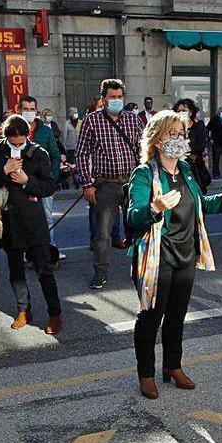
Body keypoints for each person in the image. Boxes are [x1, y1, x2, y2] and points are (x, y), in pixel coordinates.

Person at [126, 110, 222, 398]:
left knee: (177, 316)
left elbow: (200, 204)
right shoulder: (144, 173)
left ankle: (173, 366)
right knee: (151, 317)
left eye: (181, 133)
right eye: (171, 133)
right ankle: (146, 373)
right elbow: (133, 216)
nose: (178, 139)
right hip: (157, 254)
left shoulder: (186, 170)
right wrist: (154, 208)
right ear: (157, 138)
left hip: (185, 253)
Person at [0, 115, 63, 336]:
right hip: (8, 218)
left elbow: (48, 186)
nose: (18, 145)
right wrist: (4, 171)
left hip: (32, 218)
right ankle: (23, 310)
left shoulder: (38, 153)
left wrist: (28, 181)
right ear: (6, 137)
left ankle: (55, 313)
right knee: (15, 269)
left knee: (43, 268)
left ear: (28, 135)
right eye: (13, 142)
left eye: (21, 141)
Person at [74, 78, 147, 289]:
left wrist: (147, 178)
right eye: (112, 97)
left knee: (137, 227)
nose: (116, 100)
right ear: (103, 99)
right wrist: (87, 184)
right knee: (103, 233)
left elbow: (144, 149)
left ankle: (141, 268)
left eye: (119, 97)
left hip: (133, 183)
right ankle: (101, 272)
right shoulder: (92, 120)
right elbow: (81, 154)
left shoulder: (133, 120)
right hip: (105, 185)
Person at [18, 96, 62, 247]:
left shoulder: (45, 131)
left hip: (43, 182)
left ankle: (50, 249)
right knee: (24, 217)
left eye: (32, 109)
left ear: (36, 111)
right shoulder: (14, 129)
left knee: (47, 217)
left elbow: (55, 155)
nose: (29, 112)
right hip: (22, 182)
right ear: (19, 110)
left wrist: (53, 177)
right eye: (26, 109)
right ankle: (27, 251)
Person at [174, 98, 211, 191]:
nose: (181, 113)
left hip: (195, 166)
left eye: (184, 110)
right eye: (179, 111)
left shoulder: (199, 125)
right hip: (178, 165)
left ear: (190, 112)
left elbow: (201, 145)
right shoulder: (174, 127)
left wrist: (186, 149)